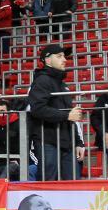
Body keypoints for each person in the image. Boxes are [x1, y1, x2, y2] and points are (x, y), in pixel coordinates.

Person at [28, 44, 85, 180]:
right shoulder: (42, 80)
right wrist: (66, 115)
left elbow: (70, 115)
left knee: (72, 184)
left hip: (66, 141)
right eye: (59, 56)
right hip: (47, 140)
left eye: (64, 56)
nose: (64, 59)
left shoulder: (62, 84)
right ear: (47, 60)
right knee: (49, 182)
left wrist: (78, 142)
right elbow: (38, 109)